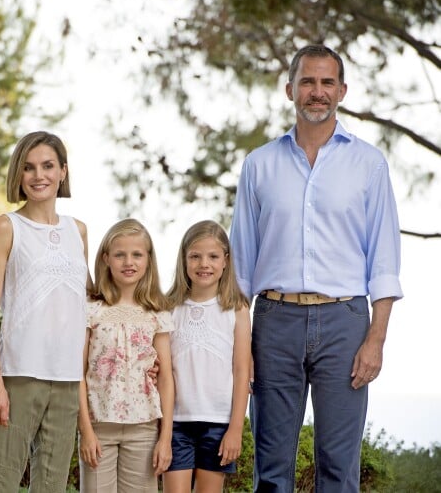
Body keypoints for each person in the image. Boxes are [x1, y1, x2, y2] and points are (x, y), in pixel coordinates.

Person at [230, 44, 404, 492]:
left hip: (345, 322)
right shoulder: (259, 165)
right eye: (308, 81)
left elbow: (383, 260)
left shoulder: (368, 164)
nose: (317, 91)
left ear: (342, 90)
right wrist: (241, 348)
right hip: (273, 322)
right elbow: (240, 272)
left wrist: (376, 339)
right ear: (290, 89)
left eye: (327, 82)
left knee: (338, 468)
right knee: (271, 469)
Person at [0, 131, 91, 493]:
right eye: (28, 168)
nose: (38, 175)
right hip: (19, 374)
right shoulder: (6, 227)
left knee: (52, 484)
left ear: (63, 171)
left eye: (47, 166)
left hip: (67, 378)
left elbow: (89, 304)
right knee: (2, 481)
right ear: (18, 175)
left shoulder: (79, 231)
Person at [78, 218, 175, 493]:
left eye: (136, 254)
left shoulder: (157, 313)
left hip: (143, 426)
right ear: (106, 258)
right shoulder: (92, 310)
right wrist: (85, 431)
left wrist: (165, 436)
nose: (128, 262)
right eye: (120, 254)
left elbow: (166, 377)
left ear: (148, 260)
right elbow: (79, 373)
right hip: (99, 426)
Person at [163, 220, 251, 493]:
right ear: (184, 260)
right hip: (176, 422)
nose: (204, 264)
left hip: (219, 424)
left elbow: (241, 372)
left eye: (213, 256)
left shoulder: (236, 309)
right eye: (195, 256)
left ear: (225, 260)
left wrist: (235, 429)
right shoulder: (169, 308)